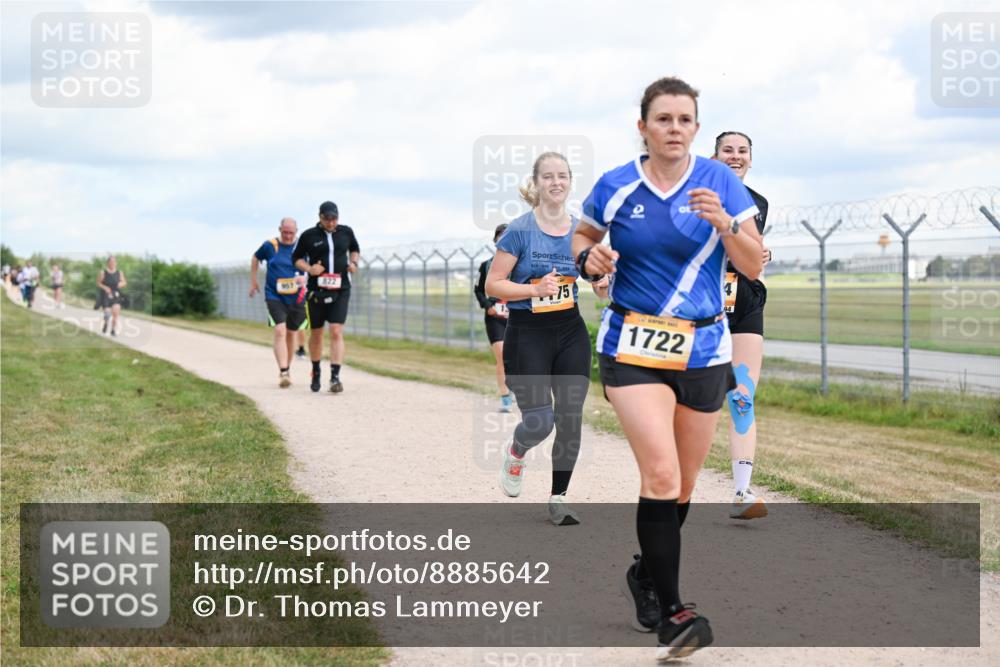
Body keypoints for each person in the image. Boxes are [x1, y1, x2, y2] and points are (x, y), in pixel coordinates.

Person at [572, 76, 763, 659]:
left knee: (680, 486)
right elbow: (582, 238)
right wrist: (589, 257)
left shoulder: (721, 183)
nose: (674, 129)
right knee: (659, 474)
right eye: (664, 119)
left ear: (696, 130)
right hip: (632, 345)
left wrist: (727, 225)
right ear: (643, 127)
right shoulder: (616, 184)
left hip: (705, 348)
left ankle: (645, 576)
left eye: (685, 120)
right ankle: (677, 614)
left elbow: (753, 265)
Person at [486, 151, 602, 527]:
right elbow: (493, 284)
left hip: (570, 332)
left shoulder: (580, 231)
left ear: (570, 182)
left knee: (569, 417)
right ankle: (517, 451)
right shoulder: (519, 230)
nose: (556, 182)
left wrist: (603, 280)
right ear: (536, 184)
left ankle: (559, 497)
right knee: (540, 421)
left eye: (563, 176)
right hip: (527, 335)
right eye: (548, 177)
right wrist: (534, 289)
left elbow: (597, 284)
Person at [713, 131, 772, 520]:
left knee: (742, 396)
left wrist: (761, 253)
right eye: (728, 150)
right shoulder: (695, 195)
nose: (736, 156)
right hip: (702, 305)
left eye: (742, 151)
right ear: (713, 157)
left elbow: (751, 254)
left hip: (745, 301)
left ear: (751, 158)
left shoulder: (759, 203)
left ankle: (741, 491)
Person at [292, 201, 361, 393]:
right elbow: (296, 258)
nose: (331, 223)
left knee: (337, 331)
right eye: (327, 219)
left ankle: (335, 376)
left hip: (341, 288)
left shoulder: (346, 232)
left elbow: (355, 248)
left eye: (334, 219)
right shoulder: (308, 236)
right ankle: (316, 371)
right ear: (320, 217)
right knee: (317, 333)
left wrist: (353, 263)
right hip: (317, 290)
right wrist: (309, 269)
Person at [250, 218, 308, 388]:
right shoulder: (270, 245)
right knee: (279, 330)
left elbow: (311, 267)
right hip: (274, 295)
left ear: (296, 231)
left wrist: (304, 278)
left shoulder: (302, 247)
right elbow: (255, 257)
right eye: (285, 232)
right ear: (279, 230)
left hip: (297, 297)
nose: (288, 236)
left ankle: (287, 368)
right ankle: (283, 370)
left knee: (291, 333)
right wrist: (253, 281)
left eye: (291, 233)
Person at [475, 223, 513, 412]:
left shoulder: (521, 264)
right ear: (495, 240)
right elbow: (478, 290)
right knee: (502, 355)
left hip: (516, 316)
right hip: (495, 317)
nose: (503, 239)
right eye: (500, 236)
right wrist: (488, 305)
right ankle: (505, 397)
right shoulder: (486, 266)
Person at [97, 256, 127, 336]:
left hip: (116, 294)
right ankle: (106, 323)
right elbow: (98, 283)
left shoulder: (119, 273)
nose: (113, 263)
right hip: (105, 295)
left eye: (114, 261)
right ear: (108, 263)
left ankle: (113, 330)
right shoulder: (103, 272)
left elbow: (124, 282)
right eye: (111, 261)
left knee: (116, 313)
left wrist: (118, 285)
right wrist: (105, 287)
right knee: (107, 314)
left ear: (116, 263)